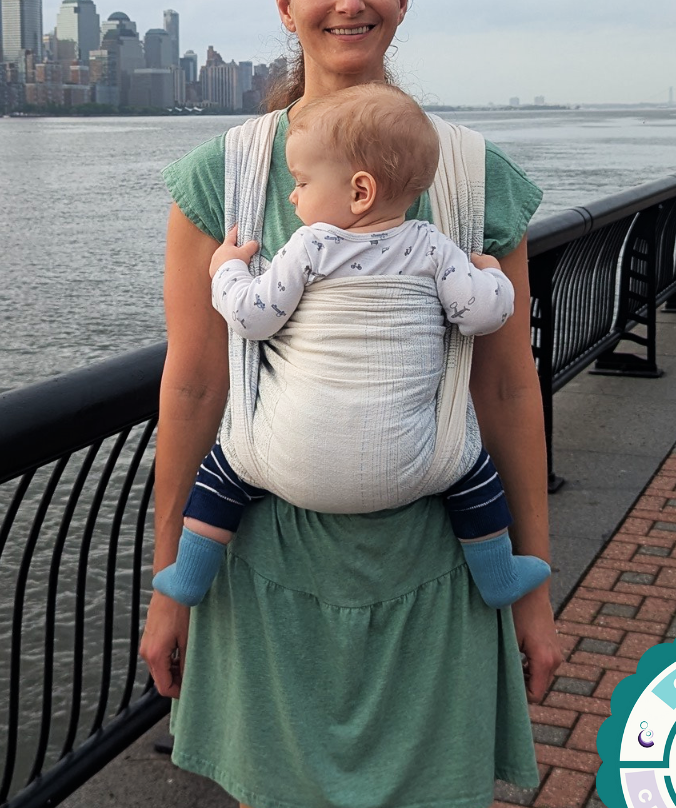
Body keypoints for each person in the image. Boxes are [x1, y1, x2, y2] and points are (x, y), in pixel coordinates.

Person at [143, 0, 558, 808]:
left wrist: (531, 589)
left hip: (432, 568)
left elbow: (510, 391)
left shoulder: (467, 178)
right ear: (284, 5)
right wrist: (168, 583)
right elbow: (189, 387)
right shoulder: (225, 175)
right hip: (266, 565)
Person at [152, 83, 549, 611]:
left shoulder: (310, 245)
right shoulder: (432, 245)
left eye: (301, 182)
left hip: (286, 464)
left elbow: (251, 318)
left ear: (359, 191)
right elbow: (480, 315)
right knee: (472, 476)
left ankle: (188, 577)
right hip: (413, 466)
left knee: (225, 471)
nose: (292, 196)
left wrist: (226, 266)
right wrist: (494, 275)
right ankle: (499, 577)